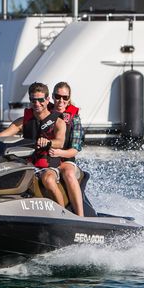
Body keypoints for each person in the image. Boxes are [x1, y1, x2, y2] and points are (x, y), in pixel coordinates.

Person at [0, 82, 67, 206]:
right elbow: (1, 135)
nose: (37, 103)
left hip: (49, 164)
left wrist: (48, 142)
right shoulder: (23, 121)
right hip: (28, 164)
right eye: (33, 100)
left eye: (40, 100)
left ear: (47, 100)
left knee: (48, 180)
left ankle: (63, 212)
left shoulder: (58, 122)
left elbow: (60, 142)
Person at [48, 81, 85, 216]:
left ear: (69, 99)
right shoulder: (44, 113)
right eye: (58, 97)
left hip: (65, 159)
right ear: (52, 96)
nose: (61, 101)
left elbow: (75, 149)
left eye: (65, 98)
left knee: (68, 173)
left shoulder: (74, 118)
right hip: (45, 161)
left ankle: (80, 216)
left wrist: (59, 152)